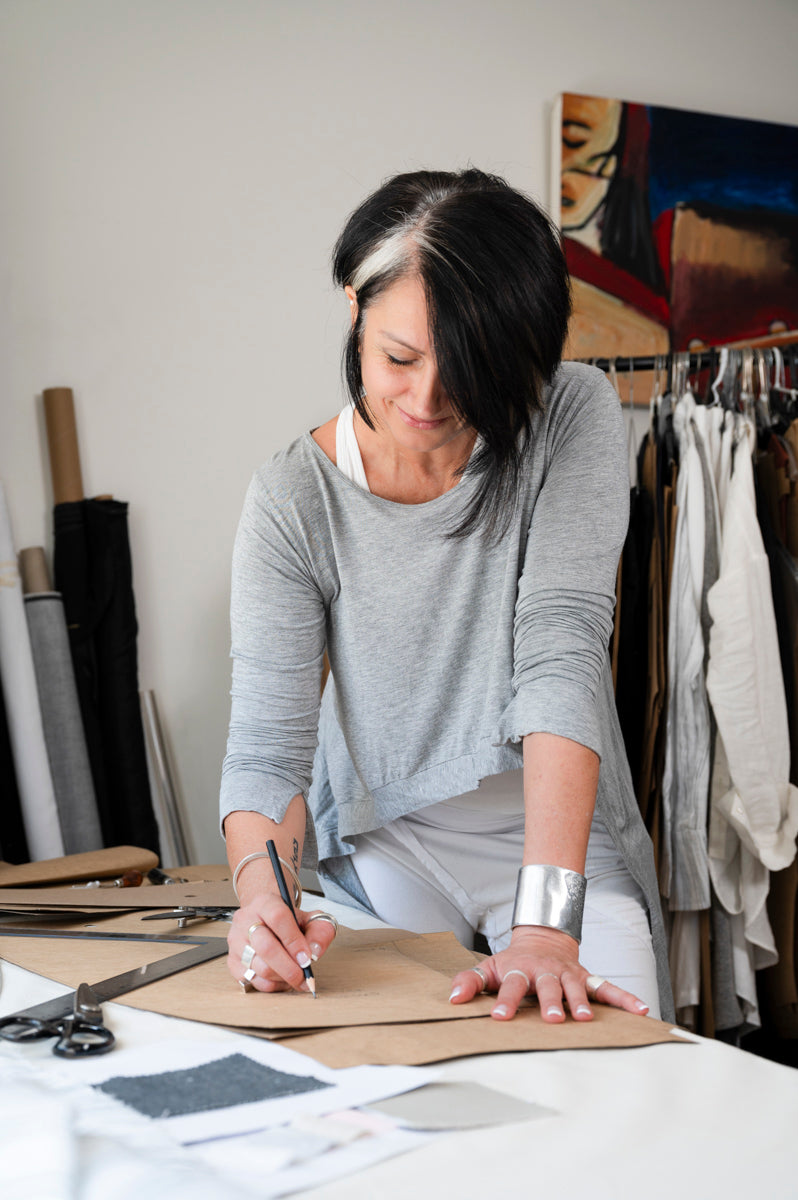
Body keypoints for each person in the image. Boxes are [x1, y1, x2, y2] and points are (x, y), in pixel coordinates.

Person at [220, 168, 673, 1024]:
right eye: (399, 357)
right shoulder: (292, 499)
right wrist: (262, 898)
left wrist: (545, 927)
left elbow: (561, 651)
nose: (425, 401)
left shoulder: (568, 414)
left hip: (552, 840)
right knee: (392, 1076)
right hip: (391, 843)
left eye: (469, 370)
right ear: (354, 308)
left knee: (620, 1067)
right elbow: (266, 749)